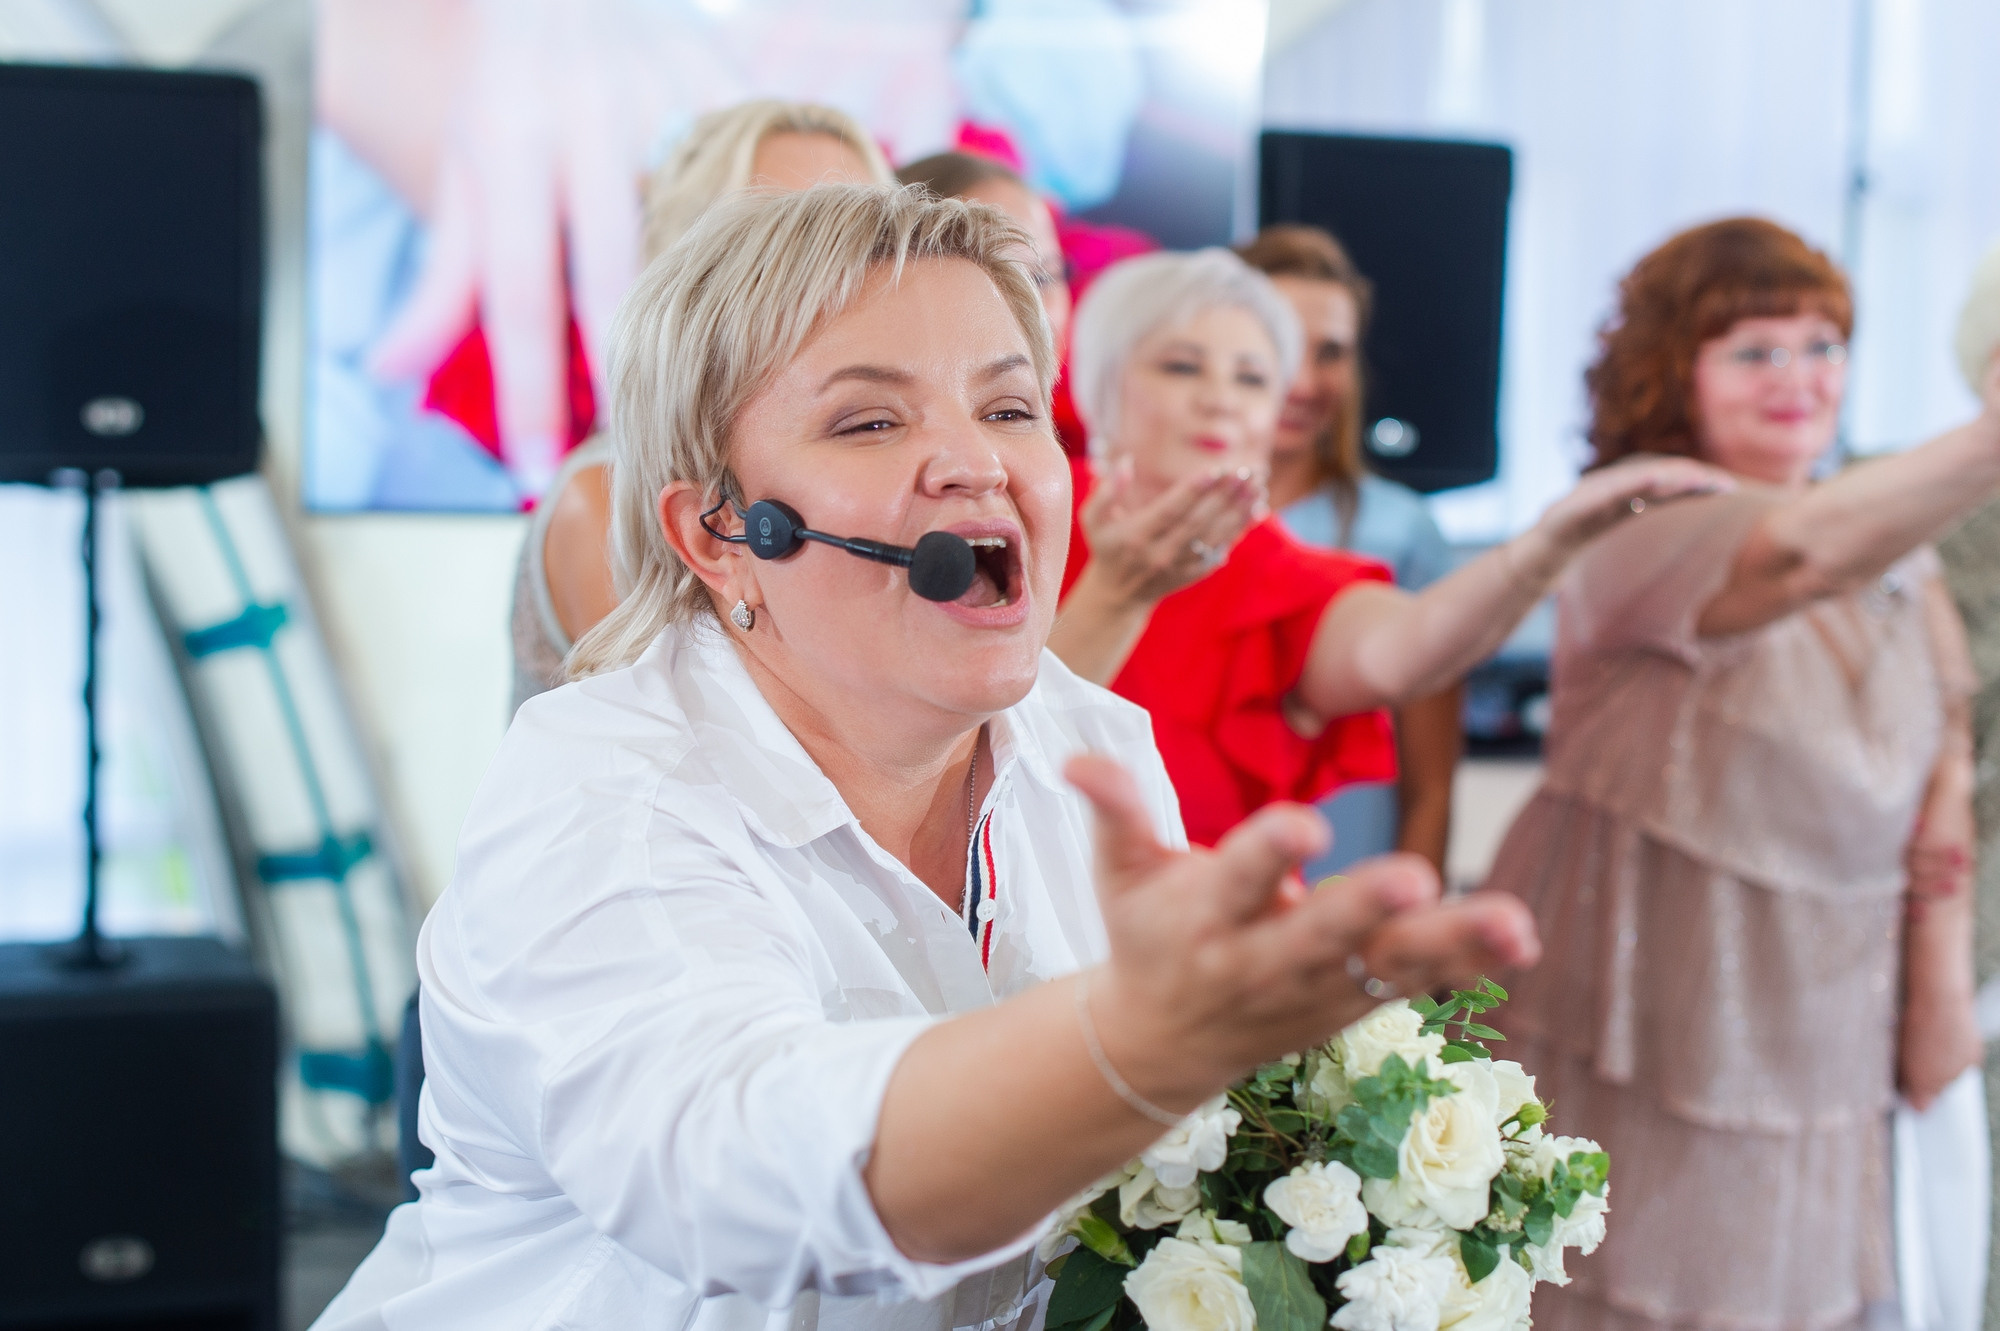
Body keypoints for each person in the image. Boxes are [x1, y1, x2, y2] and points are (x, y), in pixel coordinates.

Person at [311, 182, 1539, 1330]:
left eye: (1009, 407)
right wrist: (1140, 1043)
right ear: (721, 534)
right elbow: (744, 1176)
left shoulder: (1088, 741)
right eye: (869, 418)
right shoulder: (603, 791)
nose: (977, 459)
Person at [1480, 217, 2000, 1331]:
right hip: (1648, 1004)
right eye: (1753, 351)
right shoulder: (1630, 518)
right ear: (1674, 371)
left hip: (1826, 1024)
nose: (1798, 379)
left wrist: (1938, 991)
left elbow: (1942, 763)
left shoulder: (1899, 553)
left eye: (1820, 345)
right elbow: (1797, 553)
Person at [1047, 247, 1729, 849]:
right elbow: (984, 742)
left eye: (1251, 378)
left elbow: (1409, 646)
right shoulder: (1022, 523)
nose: (1220, 399)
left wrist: (1547, 543)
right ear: (1103, 381)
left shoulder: (1281, 577)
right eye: (1181, 366)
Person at [511, 100, 891, 711]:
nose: (836, 266)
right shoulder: (602, 497)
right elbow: (718, 752)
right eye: (788, 234)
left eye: (868, 234)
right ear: (685, 258)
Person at [1237, 224, 1462, 876]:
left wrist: (1405, 952)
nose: (1304, 379)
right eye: (1278, 345)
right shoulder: (1154, 527)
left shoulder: (1404, 534)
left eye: (1330, 352)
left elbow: (1430, 784)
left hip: (1344, 907)